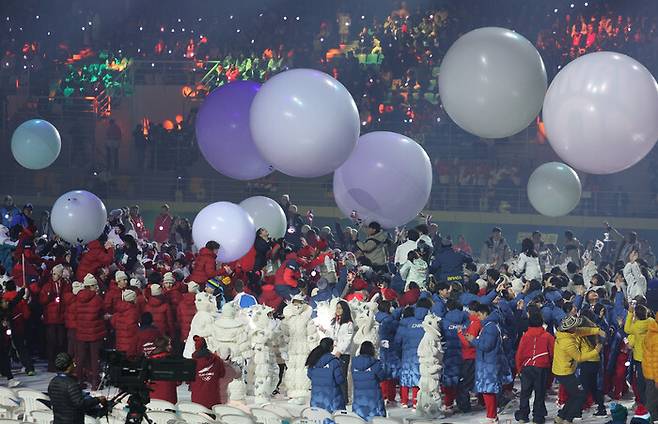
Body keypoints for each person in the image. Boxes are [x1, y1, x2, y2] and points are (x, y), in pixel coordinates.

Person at [463, 302, 513, 424]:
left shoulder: (490, 327)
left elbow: (486, 346)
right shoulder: (490, 325)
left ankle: (492, 416)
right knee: (487, 391)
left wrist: (473, 340)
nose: (478, 318)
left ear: (484, 314)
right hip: (487, 363)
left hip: (489, 364)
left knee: (488, 391)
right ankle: (492, 415)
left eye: (479, 315)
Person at [552, 315, 603, 424]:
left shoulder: (565, 334)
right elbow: (579, 357)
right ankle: (567, 418)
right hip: (565, 372)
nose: (577, 328)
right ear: (570, 329)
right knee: (579, 395)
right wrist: (596, 351)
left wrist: (597, 331)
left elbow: (581, 331)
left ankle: (561, 417)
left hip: (562, 369)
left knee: (575, 394)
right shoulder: (567, 342)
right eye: (575, 326)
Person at [514, 311, 555, 424]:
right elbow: (553, 352)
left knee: (525, 393)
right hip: (541, 367)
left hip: (527, 367)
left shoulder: (525, 336)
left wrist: (519, 368)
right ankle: (538, 416)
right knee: (540, 392)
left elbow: (519, 353)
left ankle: (523, 415)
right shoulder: (547, 336)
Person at [48, 352, 106, 424]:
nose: (74, 365)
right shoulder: (71, 384)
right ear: (68, 366)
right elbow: (81, 404)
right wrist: (98, 399)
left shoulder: (53, 381)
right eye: (73, 363)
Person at [74, 274, 106, 388]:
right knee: (94, 358)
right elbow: (101, 312)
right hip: (94, 332)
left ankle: (79, 380)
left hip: (81, 331)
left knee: (80, 358)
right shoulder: (97, 299)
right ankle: (94, 382)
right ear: (92, 286)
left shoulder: (78, 297)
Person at [39, 264, 70, 372]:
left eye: (56, 274)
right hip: (51, 319)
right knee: (51, 342)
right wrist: (49, 296)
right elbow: (42, 300)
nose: (54, 276)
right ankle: (51, 364)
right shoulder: (47, 286)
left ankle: (60, 363)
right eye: (53, 273)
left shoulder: (65, 285)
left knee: (61, 342)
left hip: (61, 318)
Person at [306, 337, 346, 413]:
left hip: (316, 400)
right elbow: (340, 380)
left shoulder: (313, 360)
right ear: (331, 347)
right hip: (333, 401)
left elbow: (309, 375)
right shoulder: (334, 362)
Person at [351, 341, 386, 421]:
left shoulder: (354, 363)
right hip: (374, 399)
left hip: (358, 399)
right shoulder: (376, 363)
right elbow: (383, 377)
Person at [189, 336, 225, 408]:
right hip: (214, 400)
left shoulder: (192, 363)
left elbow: (188, 380)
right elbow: (222, 374)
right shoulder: (217, 360)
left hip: (197, 400)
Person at [332, 300, 354, 404]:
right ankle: (336, 396)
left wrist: (340, 351)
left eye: (340, 308)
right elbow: (335, 336)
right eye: (337, 308)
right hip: (335, 352)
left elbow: (348, 340)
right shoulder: (336, 322)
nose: (337, 310)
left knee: (342, 376)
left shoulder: (349, 324)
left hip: (344, 354)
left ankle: (345, 399)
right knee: (335, 375)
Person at [148, 336, 179, 403]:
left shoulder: (149, 361)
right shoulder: (173, 361)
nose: (170, 346)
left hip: (152, 398)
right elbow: (178, 381)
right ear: (164, 346)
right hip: (169, 399)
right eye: (169, 344)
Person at [643, 315, 658, 420]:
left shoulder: (651, 332)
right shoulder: (656, 338)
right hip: (655, 377)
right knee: (652, 404)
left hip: (649, 374)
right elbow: (656, 361)